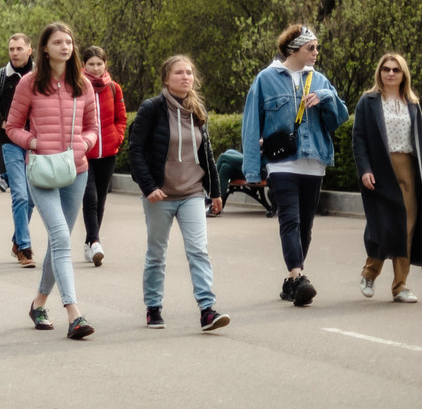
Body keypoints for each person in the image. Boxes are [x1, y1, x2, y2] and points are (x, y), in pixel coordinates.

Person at [240, 23, 348, 308]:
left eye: (316, 47)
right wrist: (252, 170)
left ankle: (291, 282)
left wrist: (326, 98)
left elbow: (339, 119)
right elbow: (251, 125)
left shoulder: (320, 80)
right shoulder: (265, 79)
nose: (315, 52)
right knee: (290, 219)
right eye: (310, 47)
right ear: (293, 49)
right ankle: (298, 276)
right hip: (282, 163)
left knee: (306, 227)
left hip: (314, 161)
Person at [4, 21, 99, 340]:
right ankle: (75, 313)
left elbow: (93, 128)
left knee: (59, 241)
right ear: (45, 48)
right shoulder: (29, 83)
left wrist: (84, 144)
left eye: (69, 41)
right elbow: (12, 126)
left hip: (76, 171)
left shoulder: (83, 84)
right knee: (60, 236)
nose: (65, 46)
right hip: (42, 170)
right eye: (58, 42)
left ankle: (38, 303)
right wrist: (33, 143)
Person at [125, 55, 229, 333]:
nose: (186, 77)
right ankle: (153, 308)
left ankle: (207, 310)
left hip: (192, 192)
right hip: (161, 195)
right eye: (179, 73)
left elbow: (206, 153)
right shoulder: (152, 109)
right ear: (166, 78)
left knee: (198, 250)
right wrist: (149, 187)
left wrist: (215, 190)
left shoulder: (196, 109)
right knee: (157, 254)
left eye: (189, 73)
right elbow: (135, 151)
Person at [352, 52, 422, 303]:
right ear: (379, 73)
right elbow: (359, 140)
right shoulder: (368, 102)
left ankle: (400, 286)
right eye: (386, 69)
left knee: (408, 228)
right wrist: (365, 169)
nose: (390, 73)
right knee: (383, 225)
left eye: (396, 70)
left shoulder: (412, 103)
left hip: (410, 169)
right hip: (380, 171)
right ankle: (370, 272)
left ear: (403, 75)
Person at [0, 32, 37, 265]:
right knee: (20, 195)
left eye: (18, 49)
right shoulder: (0, 78)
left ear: (29, 50)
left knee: (33, 197)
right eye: (11, 49)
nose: (14, 53)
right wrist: (4, 123)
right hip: (11, 144)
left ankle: (17, 240)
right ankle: (25, 248)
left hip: (36, 144)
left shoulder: (40, 77)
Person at [81, 45, 129, 266]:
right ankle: (95, 242)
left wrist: (117, 138)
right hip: (84, 152)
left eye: (99, 63)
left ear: (105, 65)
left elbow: (121, 118)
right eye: (91, 64)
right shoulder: (78, 87)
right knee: (89, 197)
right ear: (83, 65)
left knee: (101, 199)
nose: (96, 68)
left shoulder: (114, 89)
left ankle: (89, 242)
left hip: (108, 153)